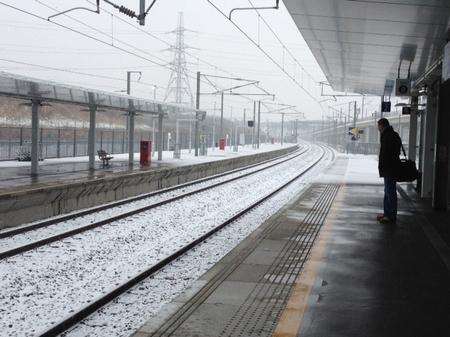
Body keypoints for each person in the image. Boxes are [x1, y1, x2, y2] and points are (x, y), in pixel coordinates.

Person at [377, 118, 402, 224]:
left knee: (390, 192)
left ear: (382, 125)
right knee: (387, 191)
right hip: (389, 168)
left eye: (378, 126)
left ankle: (391, 216)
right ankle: (387, 213)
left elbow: (388, 154)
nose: (378, 128)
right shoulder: (391, 134)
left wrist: (384, 165)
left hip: (390, 168)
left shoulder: (388, 136)